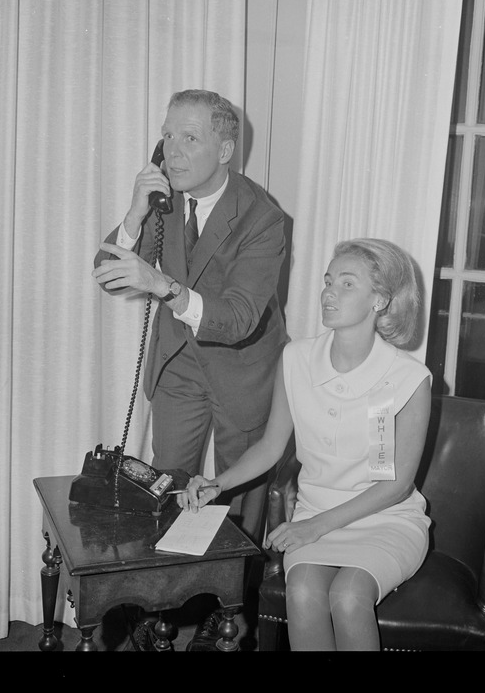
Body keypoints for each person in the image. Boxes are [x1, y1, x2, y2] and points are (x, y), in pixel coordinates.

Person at [92, 89, 289, 650]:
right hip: (180, 362)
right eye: (168, 135)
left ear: (225, 149)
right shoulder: (162, 201)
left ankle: (229, 615)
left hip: (242, 365)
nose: (173, 152)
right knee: (167, 483)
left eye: (190, 138)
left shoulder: (263, 218)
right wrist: (134, 211)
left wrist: (165, 286)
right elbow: (105, 273)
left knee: (237, 496)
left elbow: (239, 318)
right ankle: (163, 606)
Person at [181, 238, 432, 651]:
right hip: (314, 515)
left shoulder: (407, 378)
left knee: (349, 598)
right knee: (301, 594)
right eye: (328, 281)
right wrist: (218, 483)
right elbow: (270, 446)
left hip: (385, 519)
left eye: (347, 284)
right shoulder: (295, 359)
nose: (329, 292)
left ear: (381, 300)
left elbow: (397, 485)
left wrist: (311, 527)